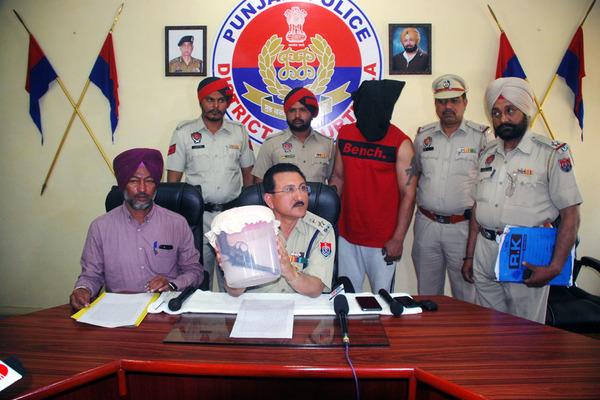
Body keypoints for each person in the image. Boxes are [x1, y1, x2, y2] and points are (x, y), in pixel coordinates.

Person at [461, 77, 582, 323]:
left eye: (510, 111)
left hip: (525, 252)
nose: (503, 119)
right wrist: (470, 256)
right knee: (489, 326)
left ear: (525, 111)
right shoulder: (487, 154)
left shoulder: (550, 153)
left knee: (526, 330)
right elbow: (478, 208)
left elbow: (571, 214)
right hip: (485, 250)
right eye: (496, 113)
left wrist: (555, 266)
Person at [70, 148, 204, 310]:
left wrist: (172, 284)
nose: (142, 189)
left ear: (156, 185)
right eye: (134, 181)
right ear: (122, 184)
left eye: (149, 181)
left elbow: (195, 272)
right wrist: (82, 289)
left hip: (164, 309)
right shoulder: (100, 227)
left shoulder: (177, 224)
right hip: (118, 311)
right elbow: (91, 275)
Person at [167, 77, 255, 291]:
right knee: (198, 279)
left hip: (231, 218)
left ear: (227, 103)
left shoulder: (239, 132)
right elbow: (173, 182)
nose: (216, 106)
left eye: (221, 100)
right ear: (200, 101)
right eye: (210, 100)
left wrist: (246, 215)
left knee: (234, 281)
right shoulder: (184, 132)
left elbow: (249, 176)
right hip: (198, 219)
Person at [330, 79, 417, 293]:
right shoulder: (345, 134)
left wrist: (398, 238)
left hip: (383, 239)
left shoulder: (401, 143)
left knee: (384, 299)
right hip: (347, 234)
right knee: (348, 296)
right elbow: (338, 178)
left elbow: (409, 193)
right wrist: (329, 224)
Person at [412, 74, 491, 302]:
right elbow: (416, 174)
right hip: (427, 225)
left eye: (454, 100)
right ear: (435, 104)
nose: (448, 107)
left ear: (465, 102)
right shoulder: (423, 137)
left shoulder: (481, 138)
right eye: (442, 101)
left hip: (463, 228)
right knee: (427, 296)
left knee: (466, 296)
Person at [223, 163, 335, 297]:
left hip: (301, 305)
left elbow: (316, 289)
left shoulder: (321, 230)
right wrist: (237, 271)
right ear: (269, 200)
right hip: (257, 304)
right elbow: (233, 292)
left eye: (303, 188)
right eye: (289, 190)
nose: (300, 197)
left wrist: (290, 272)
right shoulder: (246, 230)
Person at [252, 87, 334, 183]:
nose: (297, 115)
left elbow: (335, 180)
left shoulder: (327, 144)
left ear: (312, 114)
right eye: (292, 110)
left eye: (302, 110)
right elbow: (259, 183)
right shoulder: (271, 144)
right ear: (286, 113)